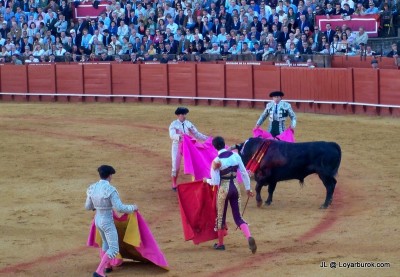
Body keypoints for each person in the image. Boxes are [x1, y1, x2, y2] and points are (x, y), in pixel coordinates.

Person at [203, 136, 257, 254]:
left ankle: (221, 244)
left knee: (221, 217)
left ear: (215, 147)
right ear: (224, 144)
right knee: (238, 217)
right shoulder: (235, 155)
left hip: (223, 189)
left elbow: (216, 182)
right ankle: (249, 237)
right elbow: (243, 172)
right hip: (235, 188)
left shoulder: (216, 162)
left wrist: (206, 180)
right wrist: (248, 189)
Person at [85, 165, 138, 277]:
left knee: (105, 243)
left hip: (97, 220)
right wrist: (132, 207)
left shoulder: (92, 188)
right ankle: (99, 271)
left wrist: (98, 205)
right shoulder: (111, 190)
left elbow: (88, 206)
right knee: (113, 249)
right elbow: (119, 208)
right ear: (110, 176)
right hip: (107, 221)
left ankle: (107, 266)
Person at [169, 107, 208, 191]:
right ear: (178, 115)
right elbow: (172, 135)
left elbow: (197, 134)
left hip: (188, 146)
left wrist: (207, 138)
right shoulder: (173, 124)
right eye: (183, 114)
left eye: (185, 114)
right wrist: (180, 136)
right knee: (175, 165)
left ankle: (195, 181)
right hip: (177, 146)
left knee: (194, 163)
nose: (184, 116)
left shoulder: (188, 123)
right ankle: (174, 183)